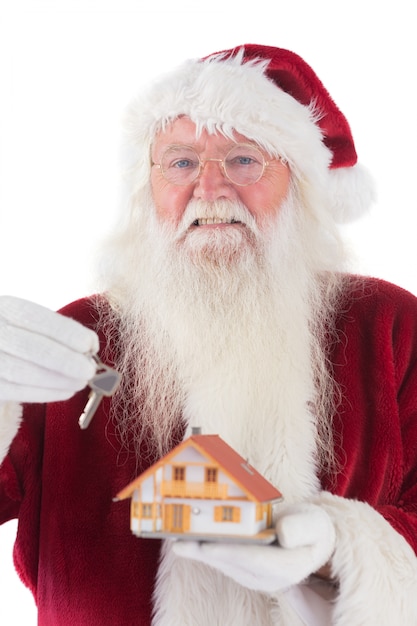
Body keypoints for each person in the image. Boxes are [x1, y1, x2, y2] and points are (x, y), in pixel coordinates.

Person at [0, 43, 417, 626]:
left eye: (244, 160)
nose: (211, 189)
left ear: (297, 183)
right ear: (149, 185)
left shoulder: (390, 326)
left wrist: (335, 549)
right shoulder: (74, 338)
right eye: (181, 162)